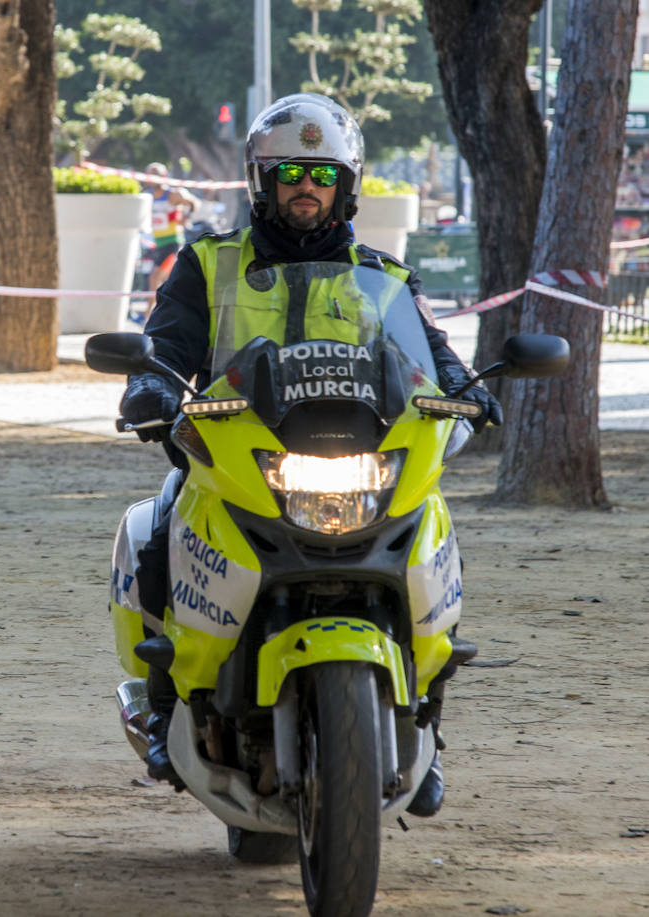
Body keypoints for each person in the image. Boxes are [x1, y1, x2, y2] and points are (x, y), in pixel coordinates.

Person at [119, 93, 502, 816]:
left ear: (345, 185)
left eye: (321, 174)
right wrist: (149, 386)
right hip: (237, 453)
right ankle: (165, 698)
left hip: (357, 451)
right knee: (163, 530)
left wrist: (468, 392)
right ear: (262, 179)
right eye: (289, 170)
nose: (306, 186)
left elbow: (436, 356)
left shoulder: (383, 278)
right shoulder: (208, 263)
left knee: (434, 535)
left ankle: (424, 717)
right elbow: (164, 345)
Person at [144, 162, 201, 289]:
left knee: (155, 278)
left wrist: (187, 217)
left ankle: (151, 309)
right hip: (157, 243)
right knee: (166, 280)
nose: (153, 178)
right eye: (150, 175)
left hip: (173, 242)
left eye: (156, 174)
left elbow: (195, 203)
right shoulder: (148, 196)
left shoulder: (174, 194)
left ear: (164, 175)